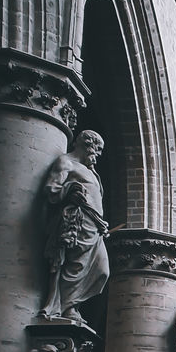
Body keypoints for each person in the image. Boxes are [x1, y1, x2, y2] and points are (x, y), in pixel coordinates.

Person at [39, 129, 110, 324]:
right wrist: (69, 190)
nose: (99, 154)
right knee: (74, 266)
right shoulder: (66, 162)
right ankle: (65, 307)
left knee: (101, 270)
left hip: (95, 227)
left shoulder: (91, 171)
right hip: (77, 222)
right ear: (89, 145)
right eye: (99, 149)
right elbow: (51, 189)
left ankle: (70, 305)